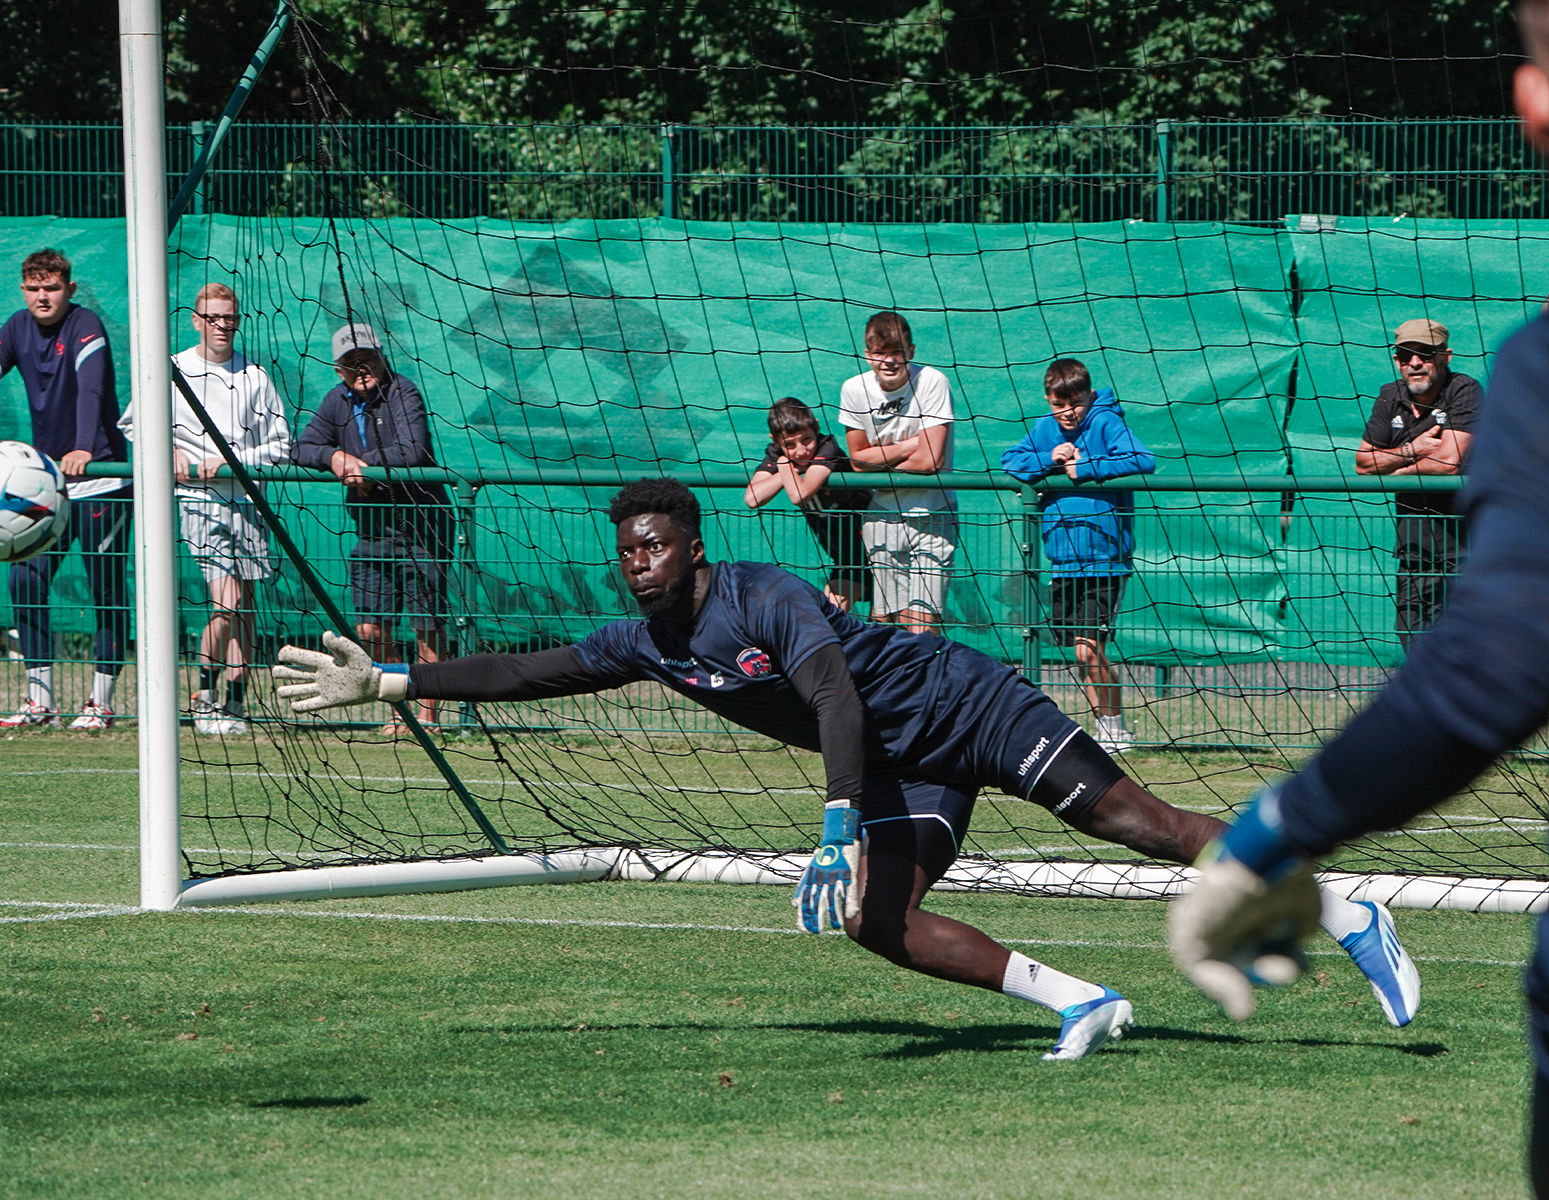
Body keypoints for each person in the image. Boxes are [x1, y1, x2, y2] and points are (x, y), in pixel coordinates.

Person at [275, 477, 1420, 1062]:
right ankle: (1083, 1002)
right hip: (897, 770)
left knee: (1142, 824)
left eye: (655, 546)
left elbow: (829, 693)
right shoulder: (641, 641)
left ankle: (1345, 907)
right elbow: (531, 671)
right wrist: (387, 683)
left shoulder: (762, 593)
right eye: (626, 551)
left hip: (968, 709)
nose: (637, 565)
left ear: (694, 548)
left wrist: (833, 817)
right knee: (880, 921)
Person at [1167, 2, 1549, 1191]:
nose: (1412, 371)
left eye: (1421, 358)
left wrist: (1267, 838)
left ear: (1534, 106)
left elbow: (1491, 675)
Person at [289, 323, 452, 733]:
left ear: (381, 358)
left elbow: (412, 449)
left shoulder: (403, 391)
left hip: (421, 529)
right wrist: (334, 457)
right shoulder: (335, 400)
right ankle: (401, 713)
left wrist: (367, 471)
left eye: (367, 360)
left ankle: (428, 718)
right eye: (350, 363)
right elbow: (300, 448)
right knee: (369, 628)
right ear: (338, 370)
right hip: (372, 534)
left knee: (426, 626)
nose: (360, 370)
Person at [0, 248, 130, 730]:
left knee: (106, 588)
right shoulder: (16, 327)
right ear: (23, 290)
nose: (42, 296)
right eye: (33, 288)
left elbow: (91, 388)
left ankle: (101, 703)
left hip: (103, 477)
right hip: (47, 485)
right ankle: (40, 702)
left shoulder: (86, 323)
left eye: (51, 287)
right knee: (24, 579)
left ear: (68, 289)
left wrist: (82, 447)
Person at [1002, 359, 1155, 756]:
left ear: (1088, 395)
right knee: (1079, 651)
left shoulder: (1106, 423)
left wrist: (1085, 467)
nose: (1068, 412)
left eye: (1076, 402)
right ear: (1048, 401)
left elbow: (1143, 459)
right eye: (1058, 404)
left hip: (1106, 558)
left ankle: (1114, 728)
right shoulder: (1043, 429)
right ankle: (1107, 727)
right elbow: (1010, 461)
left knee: (1089, 646)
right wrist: (1048, 459)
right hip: (1062, 558)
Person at [169, 282, 290, 735]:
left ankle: (235, 703)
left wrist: (236, 462)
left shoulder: (254, 376)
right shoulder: (174, 369)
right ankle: (204, 697)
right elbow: (136, 426)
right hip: (198, 502)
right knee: (228, 601)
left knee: (246, 606)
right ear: (196, 320)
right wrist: (170, 452)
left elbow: (281, 445)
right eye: (213, 317)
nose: (222, 326)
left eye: (229, 317)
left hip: (248, 501)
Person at [1353, 318, 1481, 650]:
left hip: (1465, 547)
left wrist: (1396, 471)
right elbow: (1364, 463)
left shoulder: (1464, 390)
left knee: (1461, 645)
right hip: (1414, 549)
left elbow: (1448, 463)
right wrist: (1412, 450)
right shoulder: (1390, 395)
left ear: (1445, 356)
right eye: (1404, 355)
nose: (1414, 363)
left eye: (1424, 354)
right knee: (1409, 636)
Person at [838, 312, 957, 635]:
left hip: (933, 513)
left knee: (921, 623)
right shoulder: (853, 389)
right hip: (882, 518)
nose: (888, 361)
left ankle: (935, 684)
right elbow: (858, 462)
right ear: (867, 354)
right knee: (892, 624)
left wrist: (880, 457)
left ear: (912, 351)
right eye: (880, 353)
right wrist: (910, 446)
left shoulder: (933, 381)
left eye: (897, 352)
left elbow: (931, 459)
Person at [743, 397, 872, 613]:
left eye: (806, 439)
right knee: (828, 618)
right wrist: (789, 469)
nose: (802, 451)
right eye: (790, 445)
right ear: (775, 441)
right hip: (847, 558)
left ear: (817, 428)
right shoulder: (779, 454)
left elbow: (799, 494)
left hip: (877, 549)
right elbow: (752, 498)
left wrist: (784, 465)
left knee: (896, 624)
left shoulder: (826, 447)